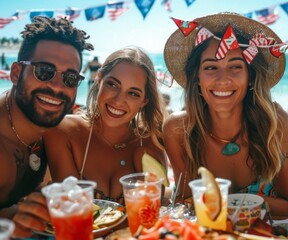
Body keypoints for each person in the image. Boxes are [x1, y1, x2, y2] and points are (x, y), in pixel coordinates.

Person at [163, 12, 288, 217]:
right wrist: (256, 203)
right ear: (197, 79)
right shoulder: (177, 130)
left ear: (250, 76)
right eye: (211, 67)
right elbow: (186, 204)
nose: (223, 79)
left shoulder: (276, 123)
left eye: (235, 66)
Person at [0, 16, 93, 237]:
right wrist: (10, 216)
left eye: (70, 78)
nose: (56, 86)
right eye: (44, 71)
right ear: (15, 73)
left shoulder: (54, 128)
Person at [44, 46, 167, 205]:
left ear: (144, 101)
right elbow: (70, 209)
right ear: (99, 79)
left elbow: (151, 211)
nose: (118, 100)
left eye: (133, 93)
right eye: (113, 85)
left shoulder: (152, 142)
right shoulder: (63, 132)